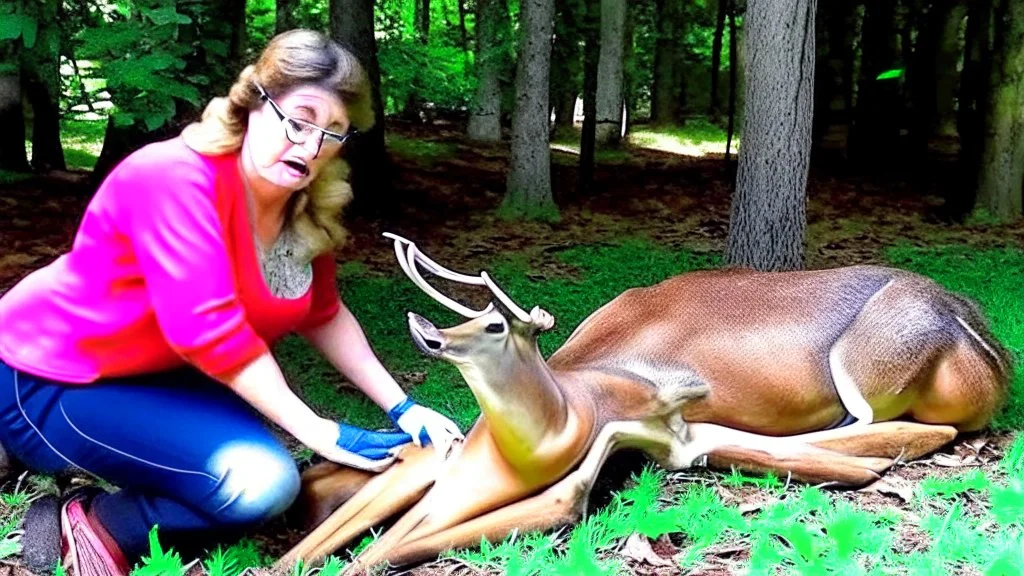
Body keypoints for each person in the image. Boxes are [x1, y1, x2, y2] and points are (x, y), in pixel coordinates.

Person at [0, 29, 463, 576]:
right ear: (253, 105)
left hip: (162, 377)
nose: (311, 147)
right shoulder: (172, 177)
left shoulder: (304, 208)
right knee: (260, 483)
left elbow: (324, 313)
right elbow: (209, 331)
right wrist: (315, 428)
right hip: (53, 375)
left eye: (333, 133)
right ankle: (92, 520)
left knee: (271, 479)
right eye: (300, 118)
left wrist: (405, 409)